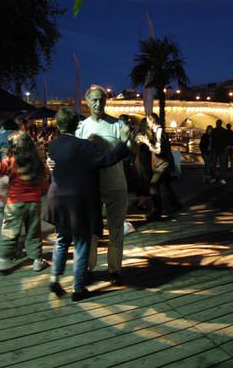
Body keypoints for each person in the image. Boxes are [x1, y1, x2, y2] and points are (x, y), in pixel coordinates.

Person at [44, 107, 131, 301]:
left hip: (57, 200)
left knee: (61, 241)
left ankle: (54, 279)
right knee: (82, 243)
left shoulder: (53, 146)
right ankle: (78, 288)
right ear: (77, 125)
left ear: (57, 125)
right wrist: (123, 141)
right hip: (79, 202)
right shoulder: (85, 147)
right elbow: (108, 159)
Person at [74, 85, 129, 286]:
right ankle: (89, 267)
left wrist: (131, 140)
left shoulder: (117, 125)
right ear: (87, 102)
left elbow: (130, 152)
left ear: (106, 101)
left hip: (116, 184)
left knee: (116, 228)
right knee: (91, 230)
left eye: (101, 99)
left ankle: (114, 269)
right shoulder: (80, 128)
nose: (98, 103)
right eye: (94, 100)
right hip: (91, 187)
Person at [0, 131, 47, 273]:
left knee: (9, 231)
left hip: (15, 202)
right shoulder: (37, 162)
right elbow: (45, 175)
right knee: (33, 232)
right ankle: (37, 260)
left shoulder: (9, 161)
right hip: (34, 202)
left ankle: (3, 260)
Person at [136, 113, 182, 221]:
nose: (148, 124)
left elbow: (158, 150)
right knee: (165, 186)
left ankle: (157, 212)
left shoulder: (159, 131)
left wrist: (147, 143)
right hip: (162, 164)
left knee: (153, 186)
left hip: (163, 164)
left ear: (152, 121)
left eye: (148, 122)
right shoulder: (157, 131)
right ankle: (176, 205)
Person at [132, 118, 153, 211]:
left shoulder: (140, 135)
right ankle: (142, 202)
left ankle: (142, 202)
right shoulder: (148, 136)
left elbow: (134, 148)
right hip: (144, 159)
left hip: (141, 159)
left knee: (143, 179)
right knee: (145, 179)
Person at [210, 119, 228, 184]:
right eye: (217, 123)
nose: (217, 124)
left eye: (217, 123)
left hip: (221, 150)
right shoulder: (214, 131)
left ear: (220, 124)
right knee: (214, 165)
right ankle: (214, 177)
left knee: (221, 165)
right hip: (215, 150)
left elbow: (226, 140)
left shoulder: (224, 131)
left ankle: (221, 178)